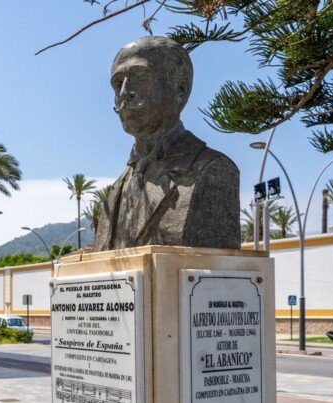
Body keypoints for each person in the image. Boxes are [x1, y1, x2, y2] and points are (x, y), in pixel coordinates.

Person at [94, 36, 240, 251]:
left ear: (180, 90)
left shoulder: (212, 169)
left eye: (140, 76)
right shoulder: (115, 191)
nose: (124, 92)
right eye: (117, 83)